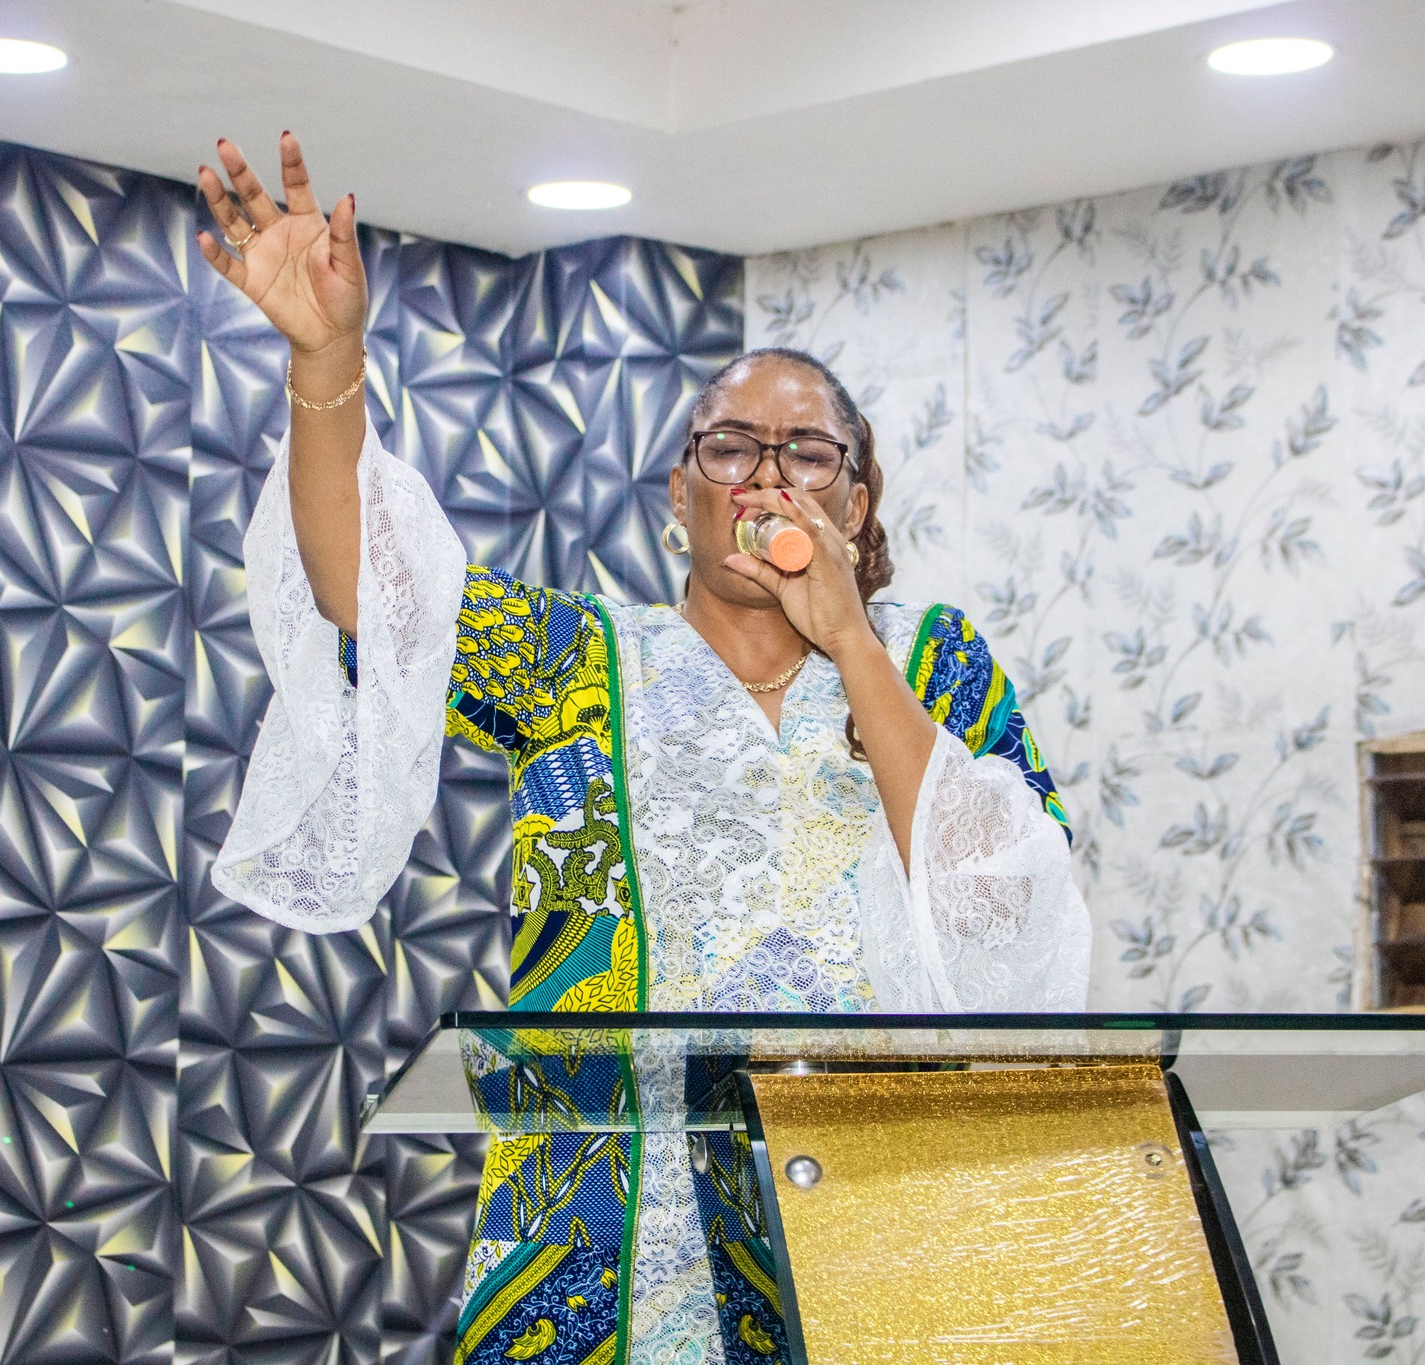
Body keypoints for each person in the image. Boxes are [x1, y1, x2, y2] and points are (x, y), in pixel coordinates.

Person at [196, 134, 1091, 1365]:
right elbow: (368, 593)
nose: (765, 478)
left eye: (807, 453)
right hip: (601, 1237)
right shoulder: (573, 659)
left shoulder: (934, 664)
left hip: (865, 1236)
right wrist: (326, 361)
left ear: (853, 501)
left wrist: (851, 644)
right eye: (729, 447)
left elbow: (1009, 919)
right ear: (681, 495)